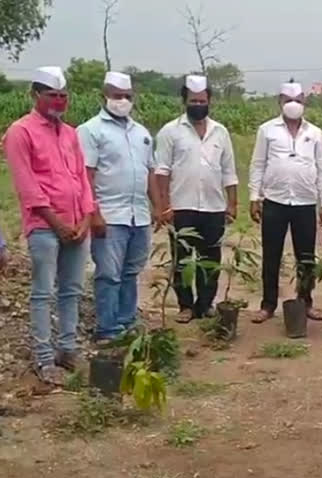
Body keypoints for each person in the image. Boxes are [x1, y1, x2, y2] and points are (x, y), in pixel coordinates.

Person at [2, 67, 94, 385]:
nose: (58, 101)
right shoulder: (20, 132)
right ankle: (44, 359)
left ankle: (67, 349)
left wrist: (84, 219)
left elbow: (81, 179)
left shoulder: (70, 133)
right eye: (51, 95)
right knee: (43, 293)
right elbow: (28, 185)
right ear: (35, 95)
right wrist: (56, 223)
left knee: (72, 290)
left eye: (63, 96)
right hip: (44, 226)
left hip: (76, 224)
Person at [77, 71, 160, 343]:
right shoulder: (91, 130)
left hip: (139, 216)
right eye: (116, 95)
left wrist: (158, 207)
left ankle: (126, 322)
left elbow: (149, 172)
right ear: (104, 96)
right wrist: (94, 213)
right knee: (109, 274)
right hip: (110, 216)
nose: (122, 100)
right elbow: (85, 175)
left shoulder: (141, 133)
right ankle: (107, 329)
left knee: (131, 271)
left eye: (127, 96)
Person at [155, 75, 238, 323]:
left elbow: (229, 171)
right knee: (182, 258)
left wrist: (232, 203)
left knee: (210, 258)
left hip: (213, 207)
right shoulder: (170, 131)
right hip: (182, 206)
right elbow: (162, 171)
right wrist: (163, 206)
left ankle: (205, 304)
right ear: (184, 101)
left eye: (202, 100)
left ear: (209, 100)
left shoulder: (220, 132)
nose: (198, 104)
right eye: (193, 100)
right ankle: (185, 306)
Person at [249, 82, 322, 323]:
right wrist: (255, 197)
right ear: (280, 101)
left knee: (306, 256)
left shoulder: (314, 133)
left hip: (305, 202)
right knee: (271, 254)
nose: (293, 105)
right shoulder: (267, 130)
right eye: (288, 100)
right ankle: (268, 304)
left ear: (305, 102)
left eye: (297, 100)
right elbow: (258, 164)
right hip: (275, 201)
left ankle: (306, 301)